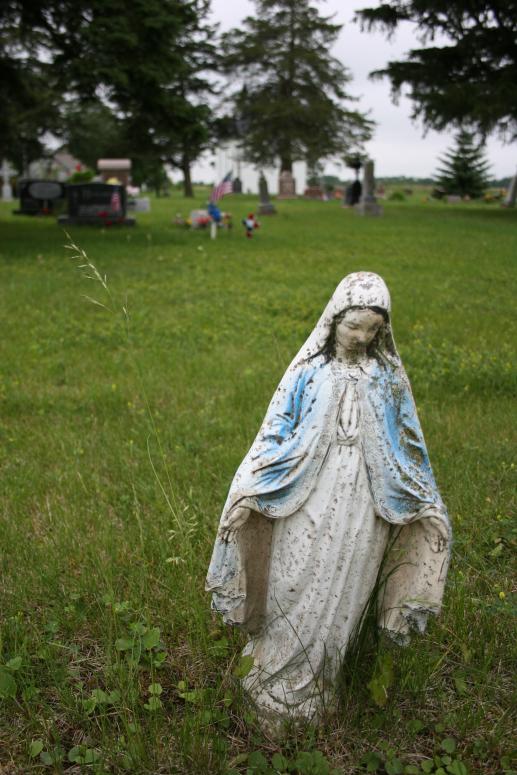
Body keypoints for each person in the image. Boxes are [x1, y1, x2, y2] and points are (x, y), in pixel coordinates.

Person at [206, 272, 451, 727]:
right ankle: (270, 675)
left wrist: (425, 500)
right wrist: (250, 488)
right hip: (306, 496)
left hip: (364, 503)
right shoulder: (308, 371)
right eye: (353, 326)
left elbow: (409, 446)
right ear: (333, 319)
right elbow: (273, 435)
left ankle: (324, 680)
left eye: (372, 330)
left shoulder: (387, 378)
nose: (361, 337)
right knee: (292, 579)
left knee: (346, 591)